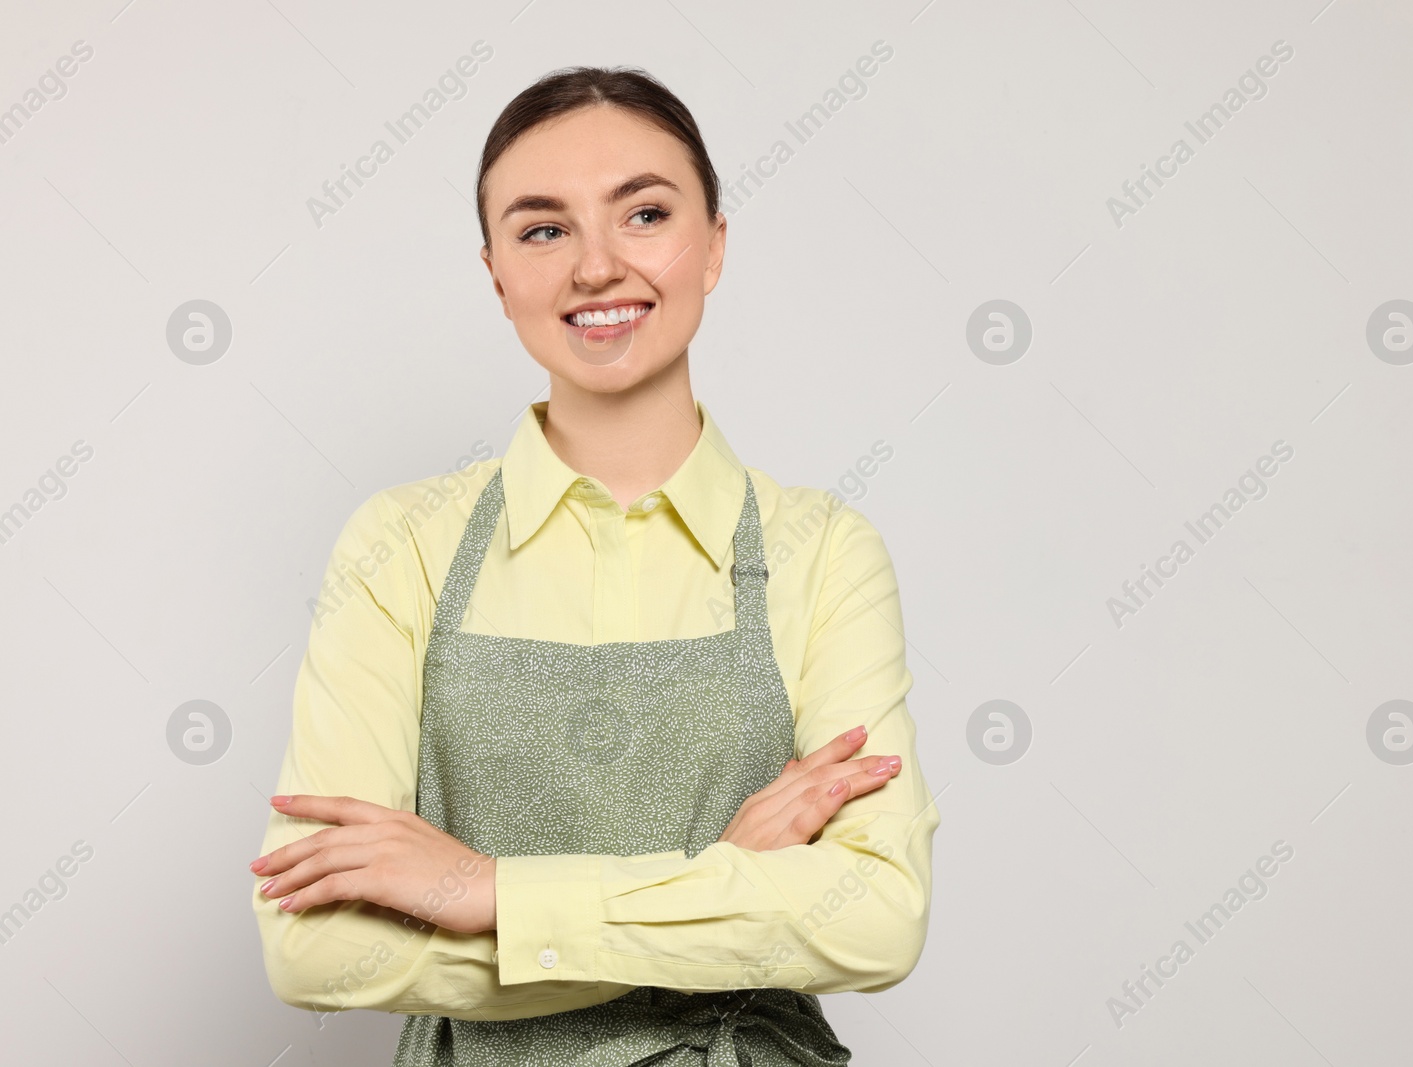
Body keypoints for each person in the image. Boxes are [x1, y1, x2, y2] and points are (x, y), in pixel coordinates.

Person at [248, 64, 941, 1066]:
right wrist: (720, 880)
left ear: (713, 247)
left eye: (645, 214)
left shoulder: (823, 551)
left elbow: (875, 914)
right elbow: (314, 950)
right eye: (543, 229)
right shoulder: (399, 545)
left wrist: (491, 892)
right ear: (496, 272)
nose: (596, 266)